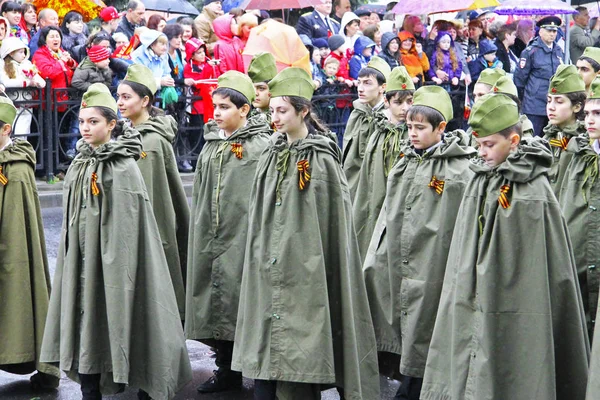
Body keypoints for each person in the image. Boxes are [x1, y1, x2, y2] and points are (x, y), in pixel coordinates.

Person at [420, 92, 590, 400]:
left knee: (513, 361)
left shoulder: (533, 191)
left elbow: (538, 274)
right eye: (479, 144)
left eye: (489, 145)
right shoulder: (479, 180)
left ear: (513, 141)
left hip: (516, 304)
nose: (481, 152)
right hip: (473, 295)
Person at [231, 67, 380, 400]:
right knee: (266, 369)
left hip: (307, 274)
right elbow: (259, 217)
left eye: (282, 111)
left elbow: (332, 231)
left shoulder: (323, 160)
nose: (276, 118)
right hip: (269, 271)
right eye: (272, 111)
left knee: (299, 366)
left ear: (304, 111)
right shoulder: (270, 153)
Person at [40, 83, 192, 400]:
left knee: (128, 316)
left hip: (118, 267)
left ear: (111, 125)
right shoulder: (79, 166)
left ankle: (144, 380)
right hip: (83, 264)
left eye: (94, 121)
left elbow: (133, 230)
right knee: (86, 321)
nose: (85, 128)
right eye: (82, 121)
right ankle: (90, 388)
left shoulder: (125, 167)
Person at [364, 85, 475, 400]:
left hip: (433, 264)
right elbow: (391, 212)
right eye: (409, 127)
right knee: (402, 325)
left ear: (440, 128)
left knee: (426, 327)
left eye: (420, 128)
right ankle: (408, 382)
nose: (412, 133)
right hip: (402, 259)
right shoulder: (406, 160)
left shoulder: (459, 169)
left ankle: (416, 388)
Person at [185, 70, 271, 394]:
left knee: (240, 299)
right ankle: (225, 370)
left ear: (245, 109)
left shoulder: (261, 145)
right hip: (212, 234)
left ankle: (250, 368)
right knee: (215, 302)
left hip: (243, 236)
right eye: (214, 106)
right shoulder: (211, 144)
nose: (217, 113)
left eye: (224, 107)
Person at [116, 64, 189, 320]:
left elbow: (159, 196)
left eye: (126, 97)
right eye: (118, 97)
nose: (120, 103)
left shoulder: (154, 142)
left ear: (145, 100)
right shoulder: (124, 136)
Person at [0, 96, 60, 391]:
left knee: (21, 298)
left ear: (6, 130)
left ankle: (43, 366)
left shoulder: (18, 169)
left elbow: (19, 224)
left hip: (14, 253)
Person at [353, 66, 414, 262]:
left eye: (409, 102)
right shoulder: (379, 133)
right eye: (398, 102)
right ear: (387, 102)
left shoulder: (414, 135)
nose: (405, 108)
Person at [577, 79, 600, 398]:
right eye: (589, 113)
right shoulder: (583, 154)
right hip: (584, 263)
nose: (591, 119)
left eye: (599, 113)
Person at [343, 56, 391, 198]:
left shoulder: (389, 117)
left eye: (368, 83)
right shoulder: (357, 113)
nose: (361, 89)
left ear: (383, 87)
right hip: (354, 185)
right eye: (359, 83)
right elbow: (349, 156)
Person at [32, 26, 78, 158]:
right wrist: (61, 62)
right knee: (48, 137)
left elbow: (74, 67)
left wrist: (69, 61)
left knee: (60, 135)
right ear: (44, 39)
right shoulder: (40, 54)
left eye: (57, 36)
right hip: (48, 102)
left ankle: (60, 164)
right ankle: (48, 170)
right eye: (52, 36)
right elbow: (47, 72)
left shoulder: (61, 52)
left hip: (63, 102)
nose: (56, 39)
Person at [514, 16, 564, 137]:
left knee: (552, 140)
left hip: (553, 104)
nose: (552, 34)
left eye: (554, 31)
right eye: (549, 30)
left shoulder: (558, 50)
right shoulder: (531, 51)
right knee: (532, 139)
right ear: (540, 31)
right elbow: (520, 79)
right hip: (534, 105)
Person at [542, 64, 587, 195]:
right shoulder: (549, 137)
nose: (551, 107)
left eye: (559, 102)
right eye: (549, 100)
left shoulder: (583, 141)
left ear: (577, 107)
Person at [0, 36, 45, 135]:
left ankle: (22, 150)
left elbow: (41, 82)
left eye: (24, 52)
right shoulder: (3, 66)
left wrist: (36, 81)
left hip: (26, 105)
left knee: (24, 134)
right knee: (12, 133)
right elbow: (6, 82)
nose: (23, 55)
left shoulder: (27, 64)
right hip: (12, 105)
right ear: (11, 53)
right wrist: (27, 82)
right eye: (20, 52)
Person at [183, 37, 216, 152]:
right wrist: (208, 68)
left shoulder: (206, 64)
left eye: (203, 52)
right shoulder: (190, 67)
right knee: (197, 133)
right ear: (192, 55)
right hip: (196, 106)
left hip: (208, 103)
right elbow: (198, 84)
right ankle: (195, 158)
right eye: (199, 53)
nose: (202, 55)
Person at [247, 52, 277, 124]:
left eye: (261, 88)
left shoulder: (278, 121)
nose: (255, 93)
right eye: (252, 88)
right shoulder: (246, 115)